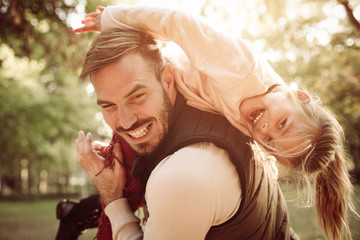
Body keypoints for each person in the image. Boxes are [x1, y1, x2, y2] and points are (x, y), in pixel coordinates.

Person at [72, 5, 357, 240]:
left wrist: (114, 199)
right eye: (281, 124)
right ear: (298, 95)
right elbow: (178, 22)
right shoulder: (239, 66)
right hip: (163, 62)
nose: (264, 129)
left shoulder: (200, 164)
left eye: (269, 141)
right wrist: (110, 18)